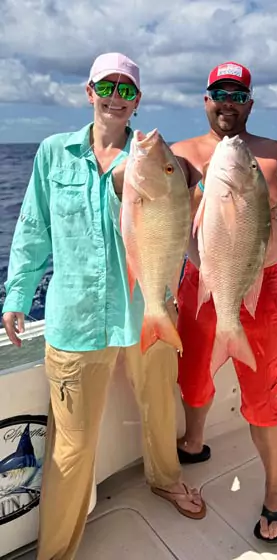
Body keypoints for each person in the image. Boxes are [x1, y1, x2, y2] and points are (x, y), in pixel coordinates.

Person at [2, 52, 205, 560]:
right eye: (106, 87)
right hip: (76, 319)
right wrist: (17, 295)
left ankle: (166, 480)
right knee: (70, 449)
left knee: (161, 409)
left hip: (148, 311)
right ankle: (57, 550)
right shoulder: (52, 153)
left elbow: (188, 214)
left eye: (127, 89)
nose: (116, 97)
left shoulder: (153, 161)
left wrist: (191, 177)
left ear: (137, 100)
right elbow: (33, 230)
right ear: (88, 92)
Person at [170, 61, 277, 544]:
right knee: (194, 374)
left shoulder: (273, 155)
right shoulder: (181, 155)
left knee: (266, 396)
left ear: (250, 101)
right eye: (219, 93)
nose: (227, 102)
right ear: (205, 99)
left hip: (260, 286)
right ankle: (194, 440)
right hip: (200, 281)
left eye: (237, 94)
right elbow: (145, 195)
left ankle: (274, 493)